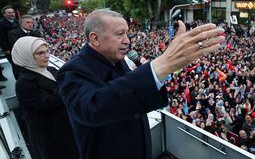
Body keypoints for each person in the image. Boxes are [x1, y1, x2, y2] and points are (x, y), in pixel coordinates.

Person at [57, 9, 225, 159]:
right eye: (119, 34)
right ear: (95, 38)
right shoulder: (71, 71)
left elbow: (129, 93)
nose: (127, 41)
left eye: (127, 34)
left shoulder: (117, 59)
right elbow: (93, 107)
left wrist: (164, 64)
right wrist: (162, 65)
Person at [11, 36, 79, 159]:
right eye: (40, 53)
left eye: (47, 51)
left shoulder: (51, 70)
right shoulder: (24, 83)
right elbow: (49, 102)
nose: (47, 56)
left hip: (66, 126)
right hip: (49, 133)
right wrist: (69, 85)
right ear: (26, 55)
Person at [8, 14, 41, 79]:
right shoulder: (12, 34)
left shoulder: (35, 33)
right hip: (20, 63)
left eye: (32, 22)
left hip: (34, 62)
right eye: (28, 22)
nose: (31, 24)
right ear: (21, 23)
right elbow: (19, 47)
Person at [0, 6, 19, 81]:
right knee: (15, 67)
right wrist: (6, 49)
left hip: (19, 47)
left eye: (13, 12)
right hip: (10, 49)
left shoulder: (17, 22)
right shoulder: (1, 24)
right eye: (9, 12)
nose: (12, 14)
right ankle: (18, 81)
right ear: (4, 14)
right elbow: (1, 38)